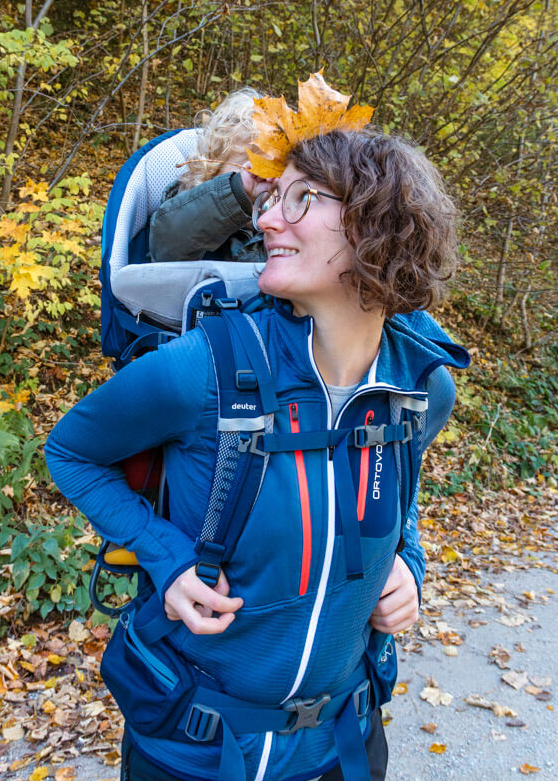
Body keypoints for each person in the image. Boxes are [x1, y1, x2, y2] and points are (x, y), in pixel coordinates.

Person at [46, 124, 467, 781]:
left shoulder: (421, 383)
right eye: (270, 199)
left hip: (344, 747)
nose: (267, 218)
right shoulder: (202, 370)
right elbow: (71, 451)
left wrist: (408, 561)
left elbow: (401, 495)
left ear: (376, 226)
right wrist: (165, 554)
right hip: (194, 749)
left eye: (301, 199)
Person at [148, 87, 271, 264]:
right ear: (213, 168)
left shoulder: (280, 228)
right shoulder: (186, 207)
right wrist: (236, 192)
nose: (263, 179)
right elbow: (166, 245)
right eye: (251, 167)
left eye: (273, 171)